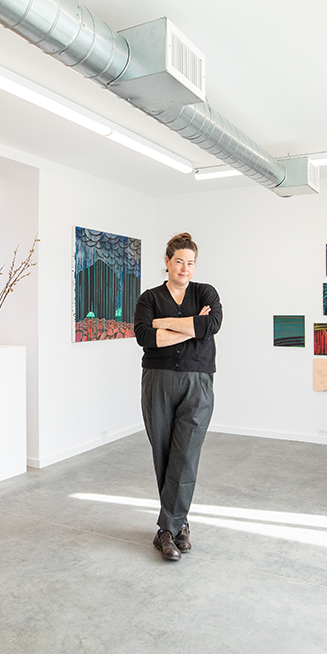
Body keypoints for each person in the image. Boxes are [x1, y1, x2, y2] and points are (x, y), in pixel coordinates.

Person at [133, 232, 222, 561]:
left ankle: (167, 531)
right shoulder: (149, 297)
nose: (185, 268)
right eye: (179, 261)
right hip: (158, 381)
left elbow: (211, 325)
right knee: (166, 453)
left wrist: (166, 325)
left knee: (186, 455)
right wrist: (191, 326)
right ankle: (178, 526)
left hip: (198, 381)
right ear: (167, 262)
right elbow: (144, 336)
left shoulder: (205, 292)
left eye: (191, 263)